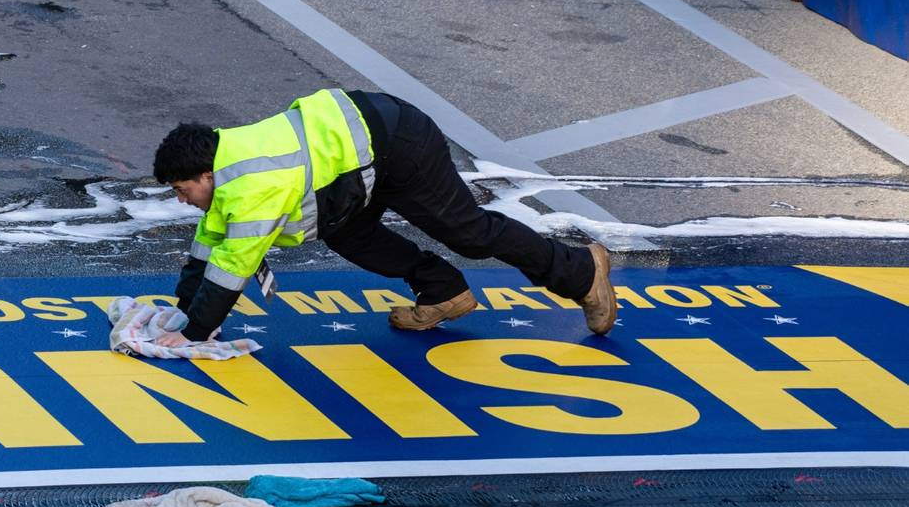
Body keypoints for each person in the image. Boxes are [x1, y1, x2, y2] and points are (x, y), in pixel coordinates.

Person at [150, 88, 616, 347]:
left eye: (181, 188)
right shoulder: (228, 161)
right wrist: (183, 312)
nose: (181, 199)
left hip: (399, 142)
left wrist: (194, 333)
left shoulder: (253, 184)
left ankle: (579, 271)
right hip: (362, 154)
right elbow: (210, 244)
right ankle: (444, 292)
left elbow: (234, 265)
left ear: (206, 173)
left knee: (467, 232)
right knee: (348, 233)